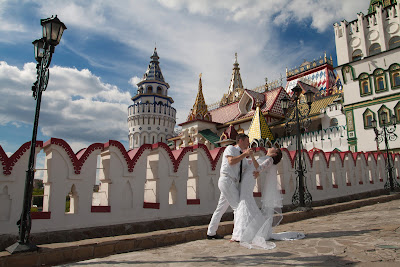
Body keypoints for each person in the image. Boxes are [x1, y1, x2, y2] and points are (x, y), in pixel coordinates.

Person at [234, 148, 305, 249]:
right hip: (248, 177)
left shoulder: (270, 160)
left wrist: (252, 156)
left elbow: (259, 168)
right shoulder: (266, 158)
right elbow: (256, 166)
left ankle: (242, 232)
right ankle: (244, 231)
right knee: (246, 201)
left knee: (245, 200)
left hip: (249, 178)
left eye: (273, 148)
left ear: (275, 153)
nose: (270, 147)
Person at [206, 134, 253, 239]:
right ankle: (237, 235)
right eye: (246, 141)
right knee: (238, 207)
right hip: (227, 180)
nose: (248, 144)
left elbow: (247, 168)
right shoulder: (230, 148)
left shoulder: (242, 156)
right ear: (240, 141)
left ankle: (211, 232)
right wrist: (244, 155)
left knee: (220, 208)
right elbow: (231, 161)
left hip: (232, 183)